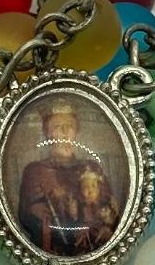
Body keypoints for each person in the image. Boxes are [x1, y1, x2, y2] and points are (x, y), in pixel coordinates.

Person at [17, 101, 120, 256]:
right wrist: (35, 211)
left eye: (69, 126)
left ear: (75, 131)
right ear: (48, 132)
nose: (65, 131)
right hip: (50, 249)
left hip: (93, 245)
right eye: (57, 126)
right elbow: (24, 215)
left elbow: (109, 208)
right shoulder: (35, 171)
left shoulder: (91, 168)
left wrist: (105, 226)